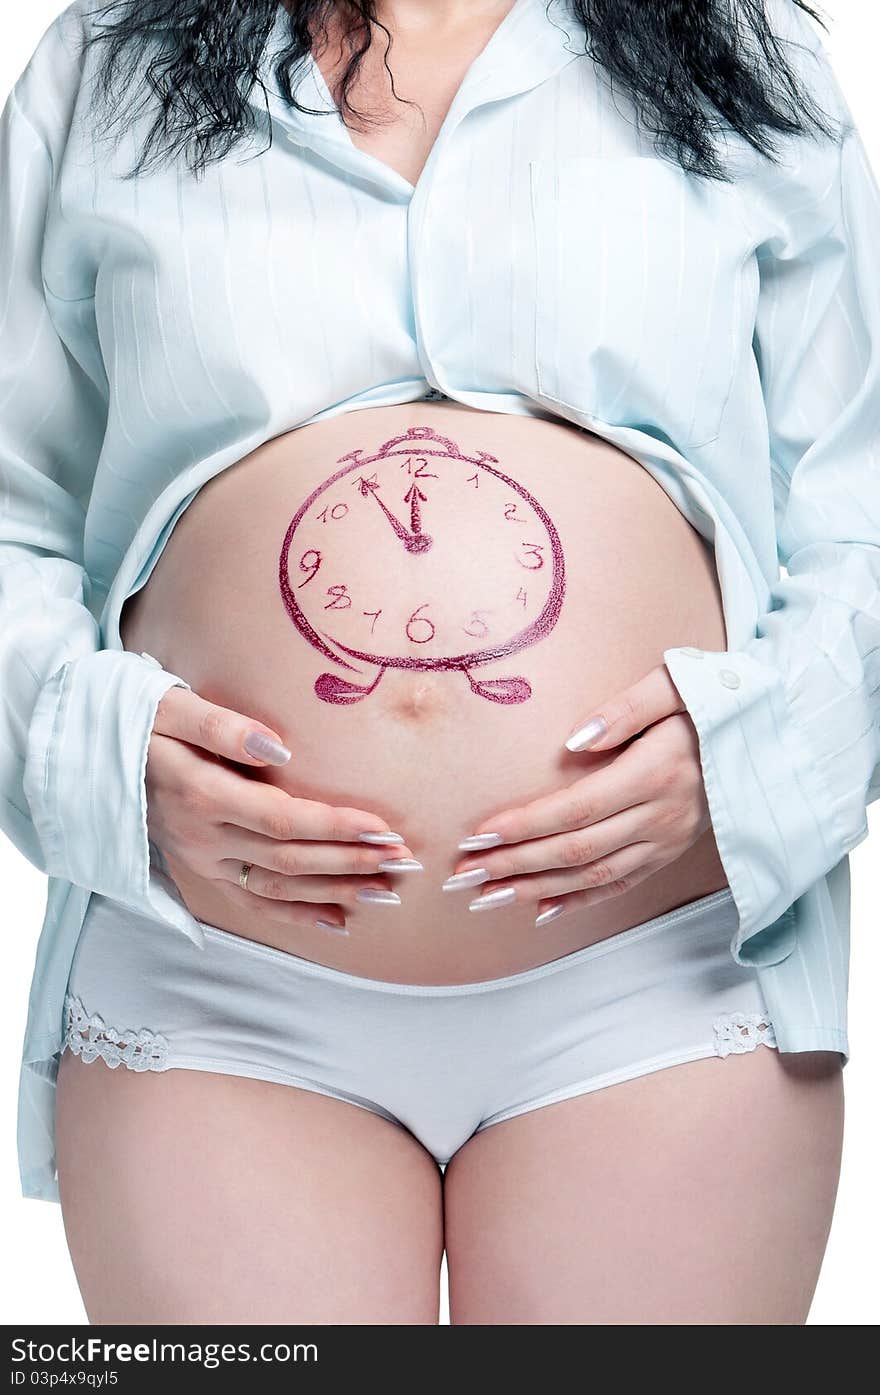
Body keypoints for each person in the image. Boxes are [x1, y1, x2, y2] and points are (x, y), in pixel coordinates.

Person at [2, 0, 877, 1324]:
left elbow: (862, 504)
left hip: (667, 969)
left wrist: (753, 759)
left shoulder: (746, 53)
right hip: (214, 982)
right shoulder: (102, 65)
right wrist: (101, 760)